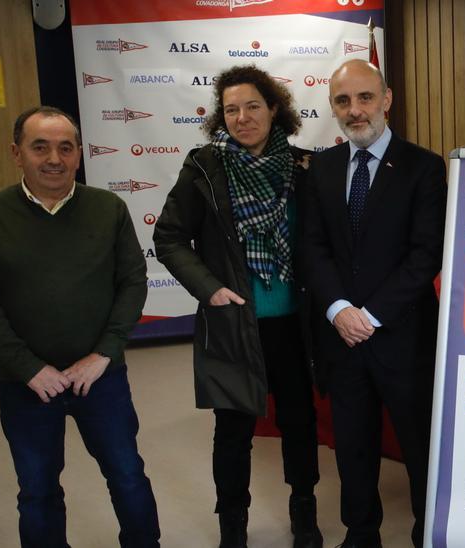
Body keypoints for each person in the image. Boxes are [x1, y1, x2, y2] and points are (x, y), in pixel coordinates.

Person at [0, 106, 159, 547]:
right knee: (38, 489)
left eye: (65, 148)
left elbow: (132, 282)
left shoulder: (108, 208)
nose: (54, 158)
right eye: (40, 146)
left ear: (79, 154)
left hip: (100, 377)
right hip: (26, 383)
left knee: (126, 474)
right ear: (17, 153)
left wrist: (103, 353)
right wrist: (26, 366)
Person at [154, 65, 322, 548]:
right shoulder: (204, 167)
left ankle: (303, 510)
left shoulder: (303, 167)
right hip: (232, 322)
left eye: (252, 106)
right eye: (231, 109)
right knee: (232, 431)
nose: (242, 117)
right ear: (219, 117)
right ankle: (233, 525)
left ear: (275, 109)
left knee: (299, 420)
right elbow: (168, 237)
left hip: (294, 324)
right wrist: (208, 288)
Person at [299, 59, 446, 548]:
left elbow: (426, 255)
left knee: (421, 447)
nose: (354, 110)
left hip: (404, 337)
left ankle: (429, 533)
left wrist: (371, 314)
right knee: (353, 449)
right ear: (333, 108)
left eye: (365, 98)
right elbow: (312, 248)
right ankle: (361, 534)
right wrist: (339, 309)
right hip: (341, 337)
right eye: (343, 100)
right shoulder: (320, 168)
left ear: (386, 100)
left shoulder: (424, 167)